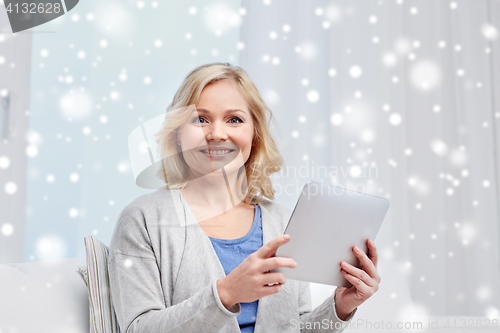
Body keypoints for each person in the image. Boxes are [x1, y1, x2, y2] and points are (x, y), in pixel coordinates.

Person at [108, 62, 381, 333]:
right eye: (200, 119)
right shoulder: (143, 220)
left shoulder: (284, 223)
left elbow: (293, 328)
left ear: (255, 137)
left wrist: (340, 308)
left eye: (234, 120)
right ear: (178, 135)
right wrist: (225, 294)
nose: (216, 134)